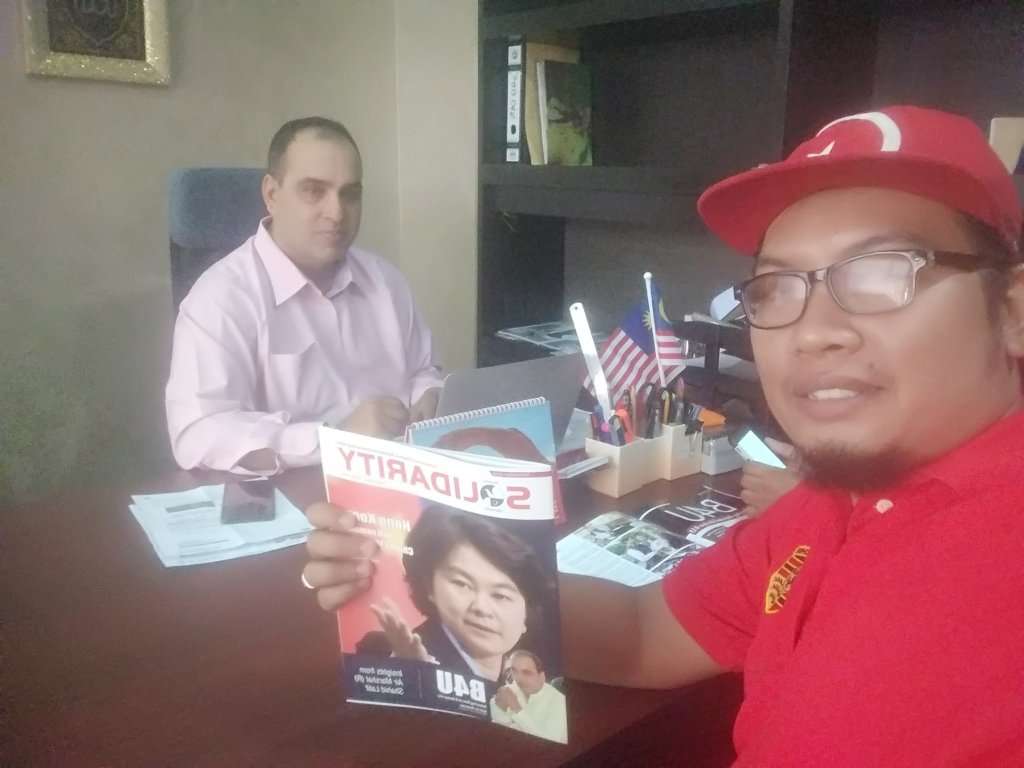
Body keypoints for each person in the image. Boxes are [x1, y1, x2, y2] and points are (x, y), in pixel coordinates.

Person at [301, 105, 1024, 765]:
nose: (814, 333)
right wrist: (404, 561)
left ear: (1013, 310)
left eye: (880, 275)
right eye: (778, 289)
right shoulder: (823, 505)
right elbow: (645, 632)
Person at [166, 117, 442, 474]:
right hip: (295, 492)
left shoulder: (385, 281)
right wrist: (336, 439)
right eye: (314, 191)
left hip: (400, 479)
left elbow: (424, 370)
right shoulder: (220, 298)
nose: (336, 213)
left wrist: (428, 395)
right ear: (272, 194)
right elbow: (198, 433)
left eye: (350, 194)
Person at [362, 506, 555, 685]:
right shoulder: (388, 653)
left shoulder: (528, 683)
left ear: (526, 615)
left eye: (500, 596)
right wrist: (413, 676)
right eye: (463, 584)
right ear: (429, 586)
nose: (481, 608)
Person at [490, 649, 568, 744]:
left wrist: (517, 709)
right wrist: (501, 710)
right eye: (514, 670)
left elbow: (550, 742)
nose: (519, 678)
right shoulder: (509, 690)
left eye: (526, 672)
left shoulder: (559, 702)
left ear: (542, 676)